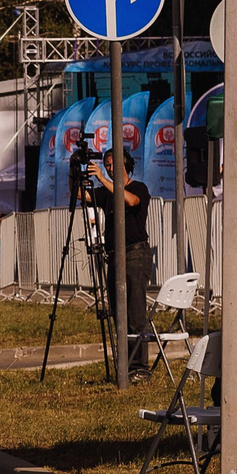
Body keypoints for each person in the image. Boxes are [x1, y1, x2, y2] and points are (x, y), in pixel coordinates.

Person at [86, 154, 156, 373]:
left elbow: (131, 200)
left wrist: (102, 180)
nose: (108, 169)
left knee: (135, 314)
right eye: (106, 166)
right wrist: (74, 172)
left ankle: (139, 367)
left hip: (135, 255)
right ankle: (125, 365)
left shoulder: (139, 188)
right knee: (119, 314)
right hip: (115, 256)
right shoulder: (107, 192)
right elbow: (81, 195)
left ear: (125, 165)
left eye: (112, 165)